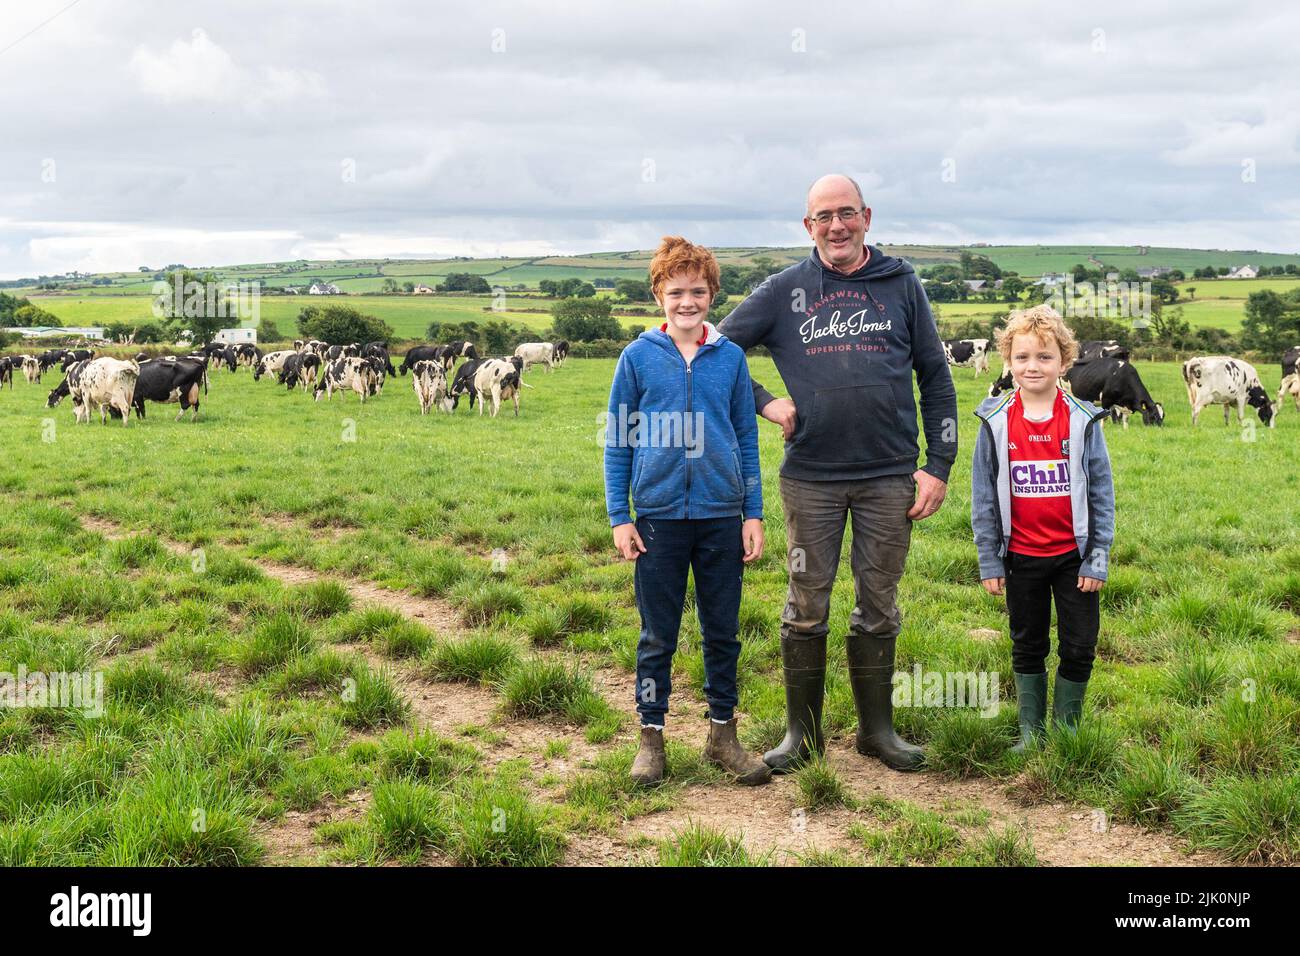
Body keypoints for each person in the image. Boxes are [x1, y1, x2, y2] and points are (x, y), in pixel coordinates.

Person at [718, 174, 958, 772]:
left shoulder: (901, 284)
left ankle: (877, 732)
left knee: (879, 603)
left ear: (867, 216)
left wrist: (938, 465)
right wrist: (766, 401)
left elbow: (934, 373)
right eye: (823, 217)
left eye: (846, 213)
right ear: (808, 227)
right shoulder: (784, 290)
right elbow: (713, 351)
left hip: (890, 477)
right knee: (806, 603)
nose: (836, 226)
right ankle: (804, 735)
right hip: (811, 479)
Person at [604, 236, 771, 787]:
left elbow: (746, 437)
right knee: (658, 633)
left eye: (697, 291)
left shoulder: (731, 359)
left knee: (722, 631)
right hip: (656, 518)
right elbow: (619, 440)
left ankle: (723, 734)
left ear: (712, 294)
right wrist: (620, 515)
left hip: (723, 515)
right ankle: (650, 736)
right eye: (675, 291)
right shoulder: (636, 358)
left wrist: (753, 511)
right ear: (658, 294)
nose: (686, 301)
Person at [971, 305, 1114, 751]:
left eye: (1045, 357)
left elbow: (1101, 493)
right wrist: (990, 558)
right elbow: (982, 497)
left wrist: (1097, 556)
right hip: (1021, 558)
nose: (1033, 366)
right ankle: (1031, 732)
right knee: (1027, 643)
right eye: (1023, 357)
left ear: (1065, 362)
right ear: (1008, 362)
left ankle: (1067, 729)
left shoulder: (1083, 420)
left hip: (1075, 559)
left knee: (1079, 644)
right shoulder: (994, 421)